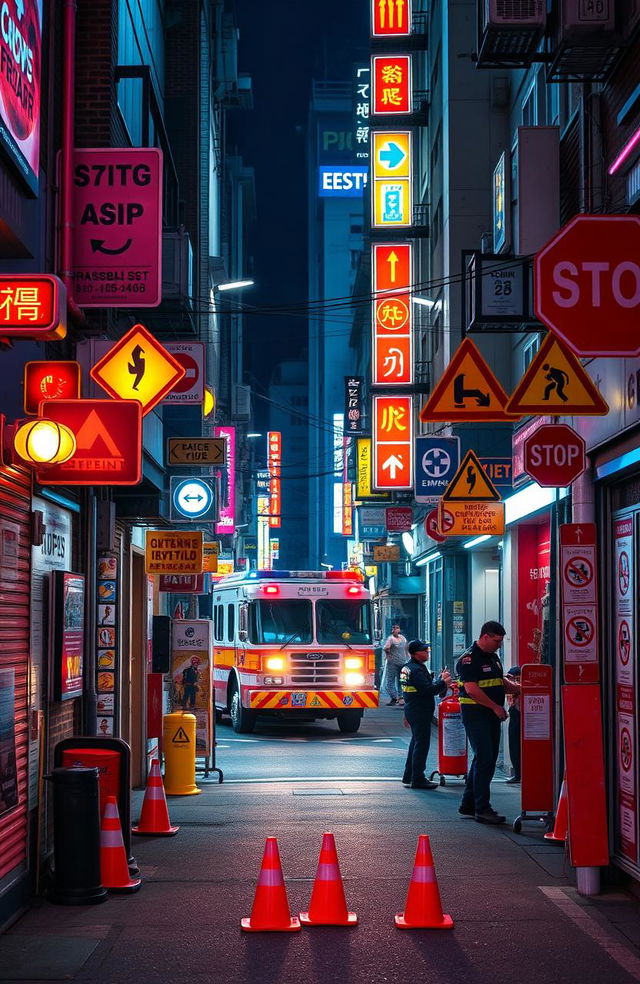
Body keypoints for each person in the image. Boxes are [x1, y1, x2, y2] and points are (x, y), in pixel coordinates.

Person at [456, 621, 521, 824]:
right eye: (496, 641)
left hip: (490, 715)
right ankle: (482, 808)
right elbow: (472, 689)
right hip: (476, 714)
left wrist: (518, 687)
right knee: (485, 759)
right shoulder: (469, 659)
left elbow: (498, 681)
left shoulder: (492, 657)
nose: (499, 645)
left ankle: (468, 804)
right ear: (485, 637)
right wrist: (495, 707)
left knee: (485, 758)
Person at [400, 640, 451, 789]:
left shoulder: (409, 668)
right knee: (421, 744)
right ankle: (418, 779)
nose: (428, 652)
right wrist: (443, 682)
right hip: (419, 710)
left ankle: (409, 776)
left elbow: (410, 691)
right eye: (425, 650)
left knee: (416, 742)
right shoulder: (416, 670)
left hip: (413, 709)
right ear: (416, 653)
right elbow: (428, 690)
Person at [382, 624, 408, 705]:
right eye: (394, 628)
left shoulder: (392, 638)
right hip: (400, 662)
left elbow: (386, 648)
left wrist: (388, 655)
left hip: (395, 662)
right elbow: (406, 648)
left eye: (396, 628)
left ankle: (396, 698)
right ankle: (399, 697)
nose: (395, 630)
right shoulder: (401, 638)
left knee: (392, 681)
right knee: (399, 681)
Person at [505, 666, 521, 783]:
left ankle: (518, 774)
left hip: (518, 713)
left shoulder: (518, 686)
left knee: (515, 744)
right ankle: (518, 773)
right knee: (514, 745)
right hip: (515, 712)